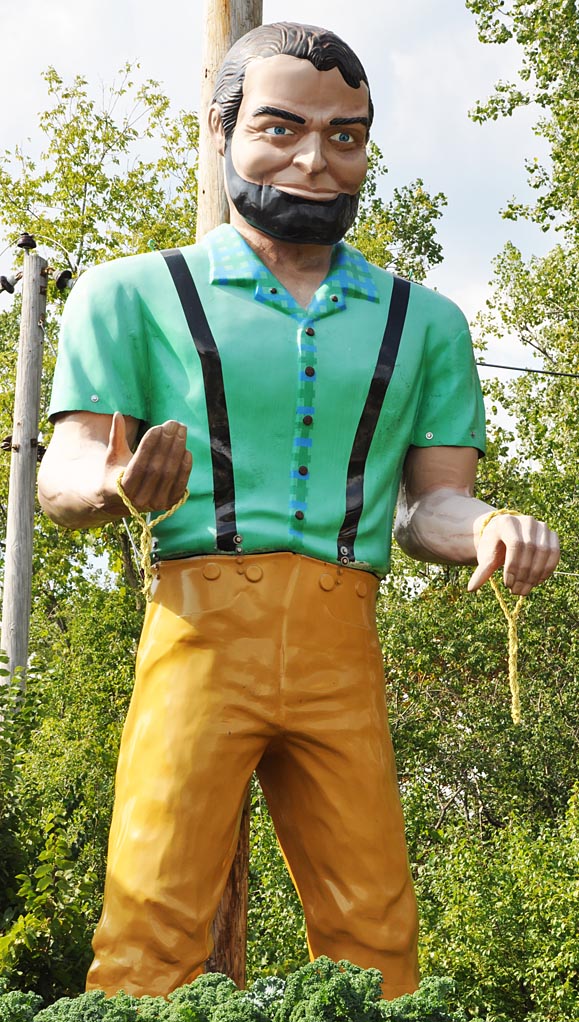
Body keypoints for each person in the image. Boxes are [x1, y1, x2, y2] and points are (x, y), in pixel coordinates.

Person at [37, 22, 560, 1001]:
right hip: (198, 633)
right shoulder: (130, 295)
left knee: (376, 926)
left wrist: (490, 526)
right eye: (281, 128)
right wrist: (115, 485)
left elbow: (430, 506)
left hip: (339, 642)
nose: (315, 159)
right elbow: (64, 471)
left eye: (345, 136)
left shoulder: (424, 322)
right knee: (150, 917)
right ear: (221, 128)